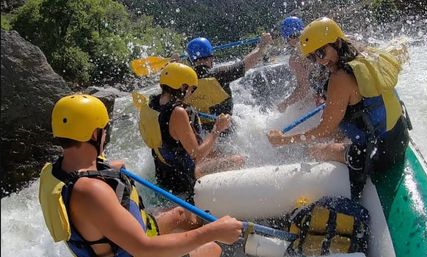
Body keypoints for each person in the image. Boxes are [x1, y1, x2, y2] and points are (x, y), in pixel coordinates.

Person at [39, 93, 242, 257]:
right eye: (104, 129)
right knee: (212, 248)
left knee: (182, 214)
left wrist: (110, 169)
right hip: (138, 250)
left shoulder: (59, 169)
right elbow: (144, 249)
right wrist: (214, 231)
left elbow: (94, 167)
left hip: (123, 239)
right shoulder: (91, 191)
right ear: (94, 134)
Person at [267, 17, 410, 199]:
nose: (319, 61)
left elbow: (325, 129)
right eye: (312, 57)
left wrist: (283, 140)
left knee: (316, 149)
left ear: (335, 42)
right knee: (338, 131)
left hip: (378, 155)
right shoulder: (365, 54)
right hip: (399, 135)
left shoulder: (339, 78)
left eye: (320, 53)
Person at [149, 63, 245, 203]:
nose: (191, 94)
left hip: (164, 172)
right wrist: (217, 129)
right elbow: (197, 155)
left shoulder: (152, 104)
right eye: (192, 89)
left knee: (218, 153)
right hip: (182, 178)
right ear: (182, 87)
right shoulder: (178, 112)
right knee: (239, 160)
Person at [186, 33, 273, 132]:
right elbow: (246, 63)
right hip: (226, 132)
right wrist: (262, 46)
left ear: (191, 61)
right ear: (211, 56)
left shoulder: (185, 83)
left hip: (201, 134)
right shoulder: (219, 74)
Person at [276, 16, 328, 113]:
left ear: (287, 39)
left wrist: (285, 103)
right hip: (340, 81)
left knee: (305, 104)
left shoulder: (295, 59)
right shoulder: (321, 40)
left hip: (326, 92)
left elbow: (304, 88)